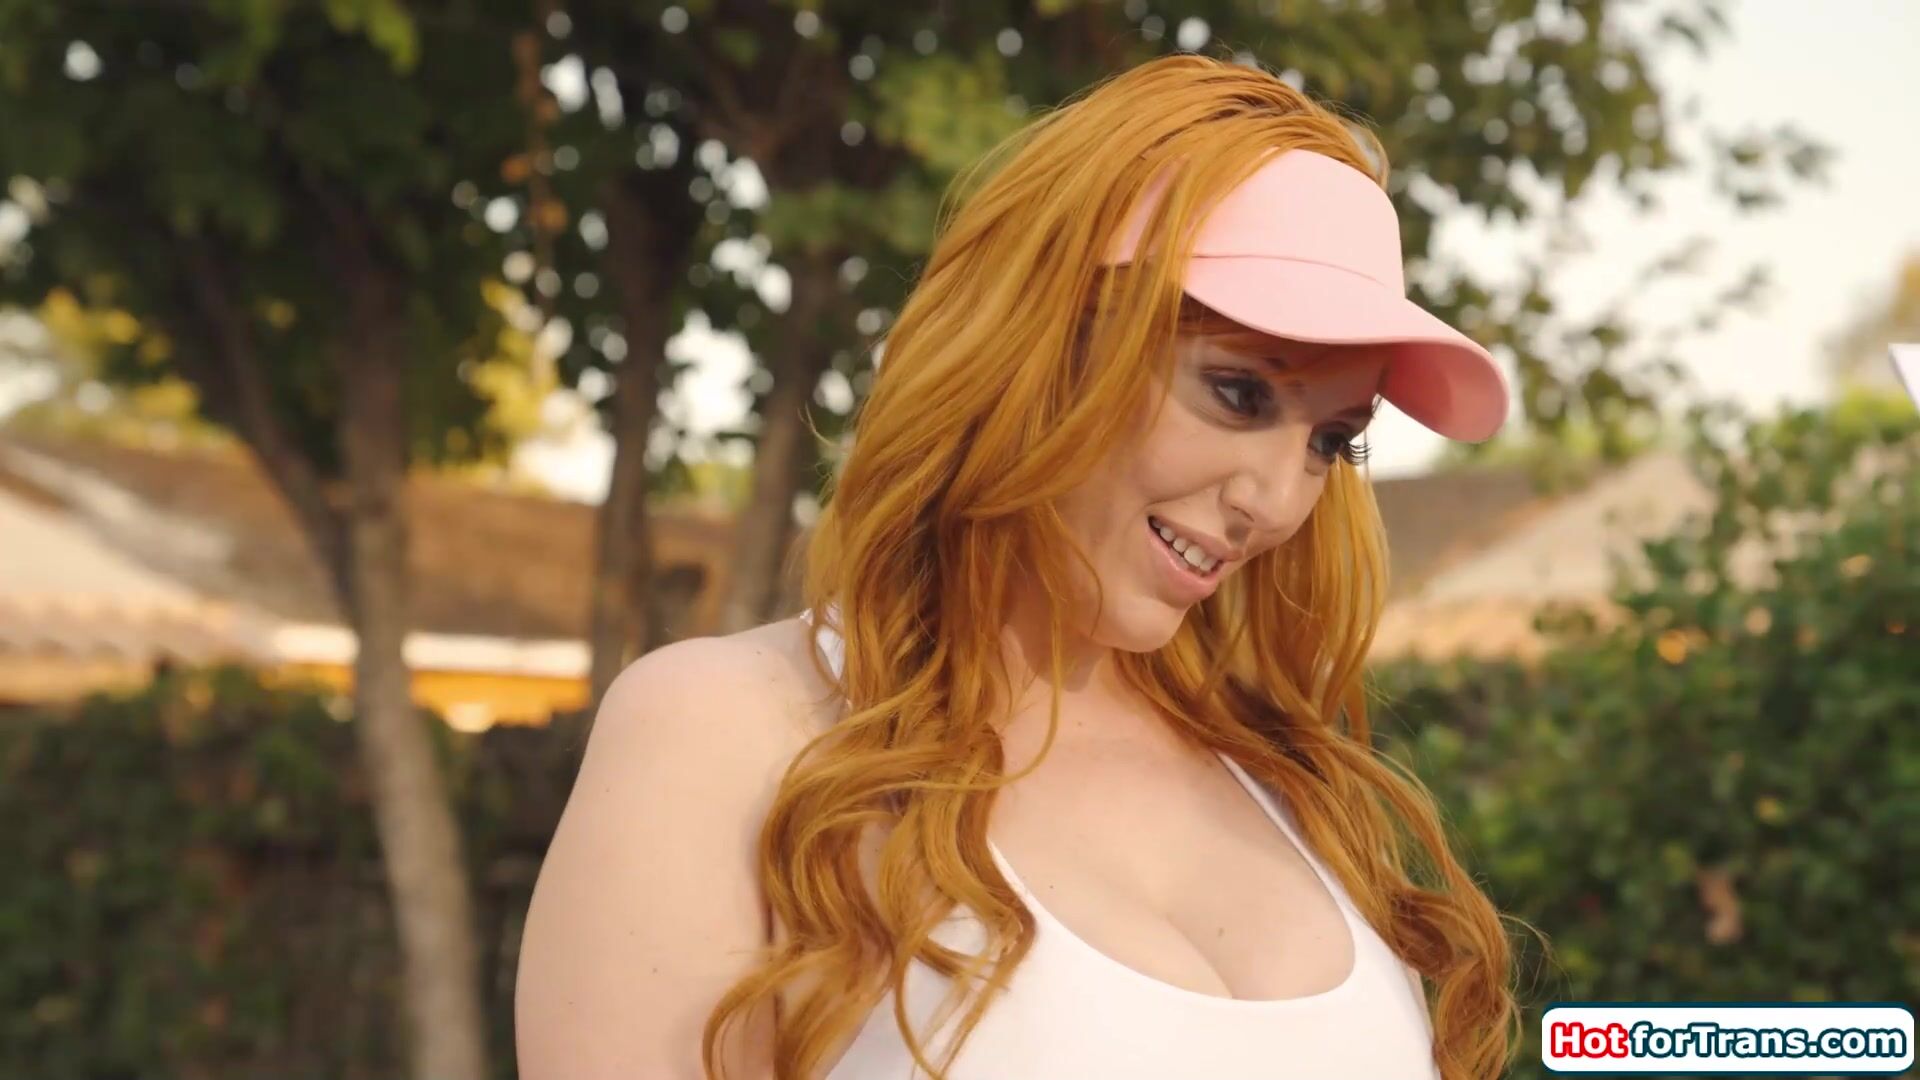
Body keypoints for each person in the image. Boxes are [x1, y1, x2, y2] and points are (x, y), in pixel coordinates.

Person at [515, 54, 1518, 1080]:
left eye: (1332, 440)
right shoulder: (728, 731)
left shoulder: (1299, 796)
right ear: (1039, 342)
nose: (1275, 501)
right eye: (1239, 393)